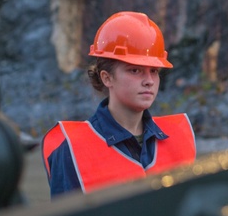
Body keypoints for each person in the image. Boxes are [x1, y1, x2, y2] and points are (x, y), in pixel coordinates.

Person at [43, 11, 196, 197]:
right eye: (135, 70)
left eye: (154, 71)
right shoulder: (72, 150)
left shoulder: (179, 138)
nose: (149, 81)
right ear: (107, 78)